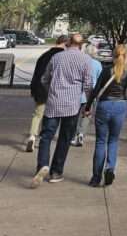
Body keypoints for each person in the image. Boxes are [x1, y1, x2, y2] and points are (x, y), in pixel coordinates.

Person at [30, 33, 94, 187]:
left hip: (53, 103)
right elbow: (88, 85)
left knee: (46, 136)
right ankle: (56, 172)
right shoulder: (86, 60)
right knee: (65, 138)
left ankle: (42, 165)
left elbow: (44, 79)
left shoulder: (56, 58)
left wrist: (51, 90)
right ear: (81, 45)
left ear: (68, 43)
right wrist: (88, 104)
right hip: (72, 105)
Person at [86, 43, 127, 187]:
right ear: (126, 56)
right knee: (113, 140)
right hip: (120, 105)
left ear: (113, 55)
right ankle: (110, 168)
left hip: (104, 105)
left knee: (100, 141)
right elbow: (125, 87)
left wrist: (87, 107)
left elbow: (96, 90)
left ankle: (96, 177)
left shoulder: (106, 71)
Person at [26, 35, 67, 153]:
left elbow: (36, 74)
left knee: (37, 114)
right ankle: (43, 138)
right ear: (65, 44)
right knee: (50, 117)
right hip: (54, 90)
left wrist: (34, 89)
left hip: (40, 89)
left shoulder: (44, 55)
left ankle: (32, 137)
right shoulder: (61, 57)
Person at [71, 44, 103, 147]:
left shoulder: (80, 62)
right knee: (86, 115)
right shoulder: (98, 64)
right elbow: (99, 80)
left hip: (78, 92)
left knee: (75, 115)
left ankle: (73, 135)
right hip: (90, 94)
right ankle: (81, 134)